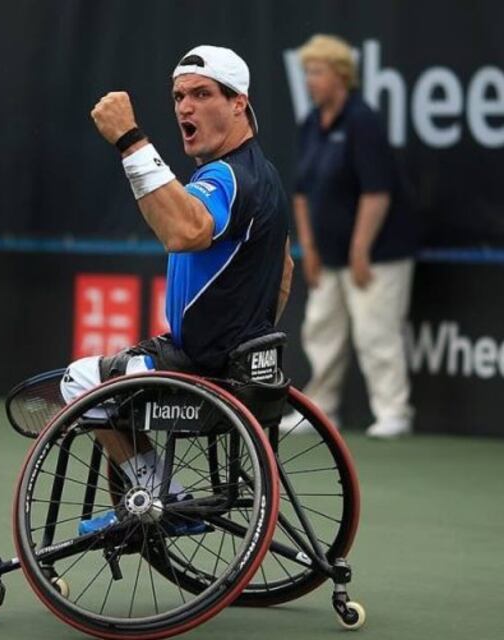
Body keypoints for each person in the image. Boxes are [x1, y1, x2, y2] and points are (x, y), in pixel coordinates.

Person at [66, 45, 293, 533]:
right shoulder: (266, 175)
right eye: (178, 97)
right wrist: (250, 334)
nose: (185, 107)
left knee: (79, 382)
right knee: (121, 366)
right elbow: (285, 269)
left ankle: (163, 498)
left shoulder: (226, 175)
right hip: (246, 366)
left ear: (239, 102)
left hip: (201, 366)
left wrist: (130, 141)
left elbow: (184, 231)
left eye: (202, 94)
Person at [288, 35, 418, 438]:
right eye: (307, 72)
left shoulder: (363, 121)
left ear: (341, 75)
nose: (309, 80)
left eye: (317, 72)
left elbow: (376, 192)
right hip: (327, 255)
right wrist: (309, 248)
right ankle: (321, 410)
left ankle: (393, 412)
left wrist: (360, 250)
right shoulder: (311, 123)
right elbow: (302, 193)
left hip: (377, 254)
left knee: (376, 331)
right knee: (320, 331)